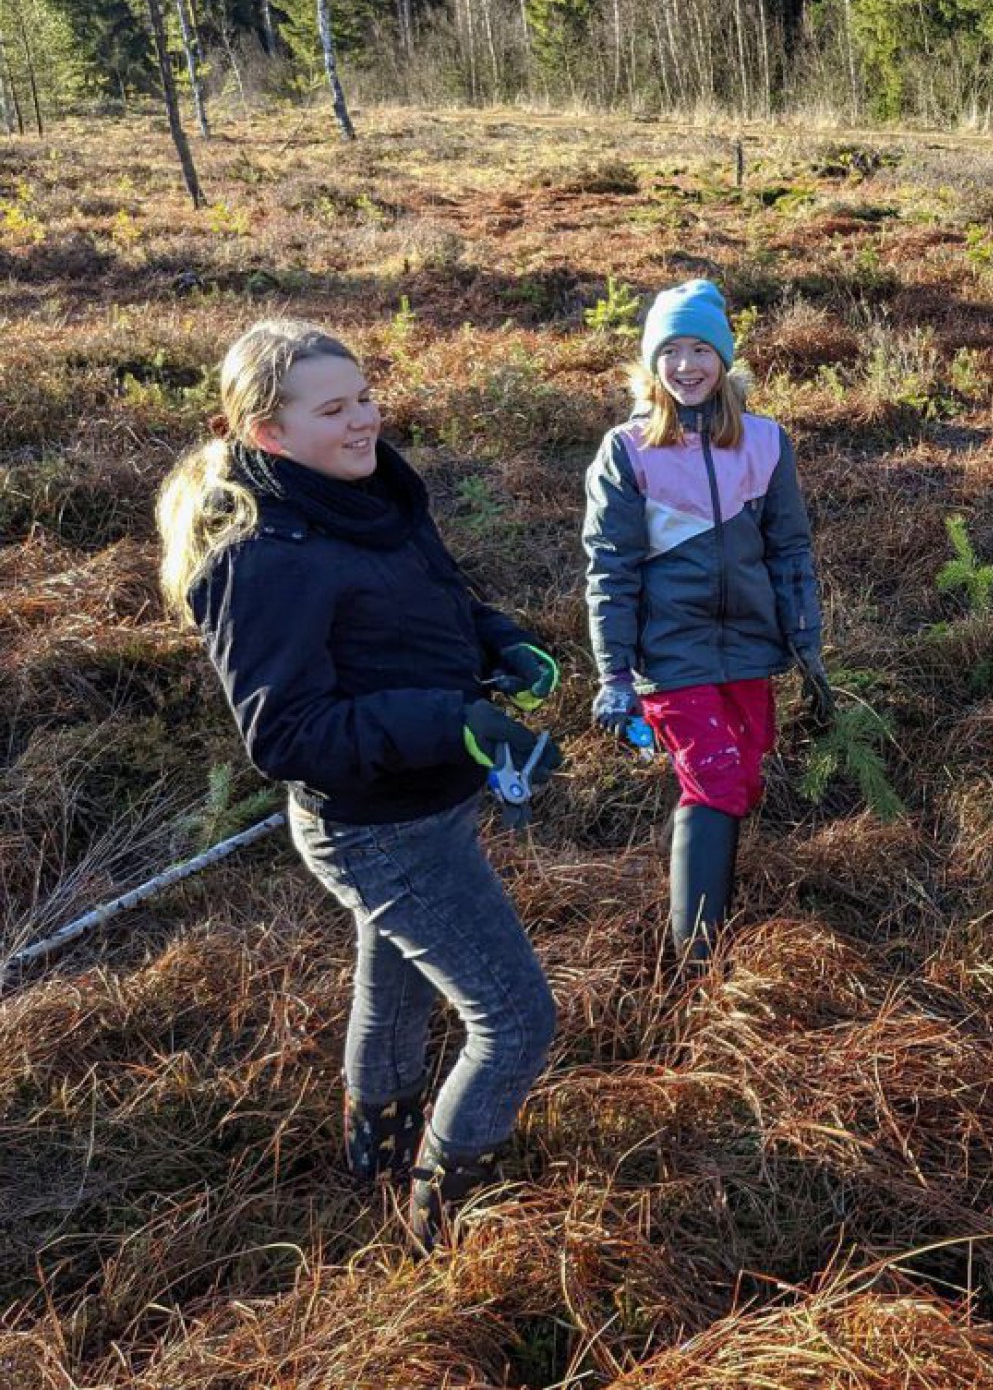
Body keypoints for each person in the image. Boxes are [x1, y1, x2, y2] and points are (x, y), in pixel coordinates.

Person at [155, 320, 561, 1252]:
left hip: (426, 802)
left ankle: (375, 1164)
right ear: (267, 432)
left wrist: (500, 641)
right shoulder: (263, 555)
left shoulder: (370, 496)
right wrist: (448, 721)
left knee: (396, 986)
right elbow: (285, 734)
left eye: (365, 397)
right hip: (378, 829)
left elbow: (437, 599)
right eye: (334, 409)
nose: (363, 419)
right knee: (516, 1021)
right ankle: (443, 1229)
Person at [582, 280, 832, 963]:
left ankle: (698, 892)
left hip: (750, 646)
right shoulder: (628, 451)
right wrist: (614, 674)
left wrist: (805, 641)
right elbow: (610, 570)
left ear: (723, 359)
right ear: (651, 362)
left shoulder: (766, 442)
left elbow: (789, 550)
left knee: (741, 778)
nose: (686, 365)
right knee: (715, 778)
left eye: (700, 349)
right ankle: (697, 960)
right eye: (670, 351)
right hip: (670, 654)